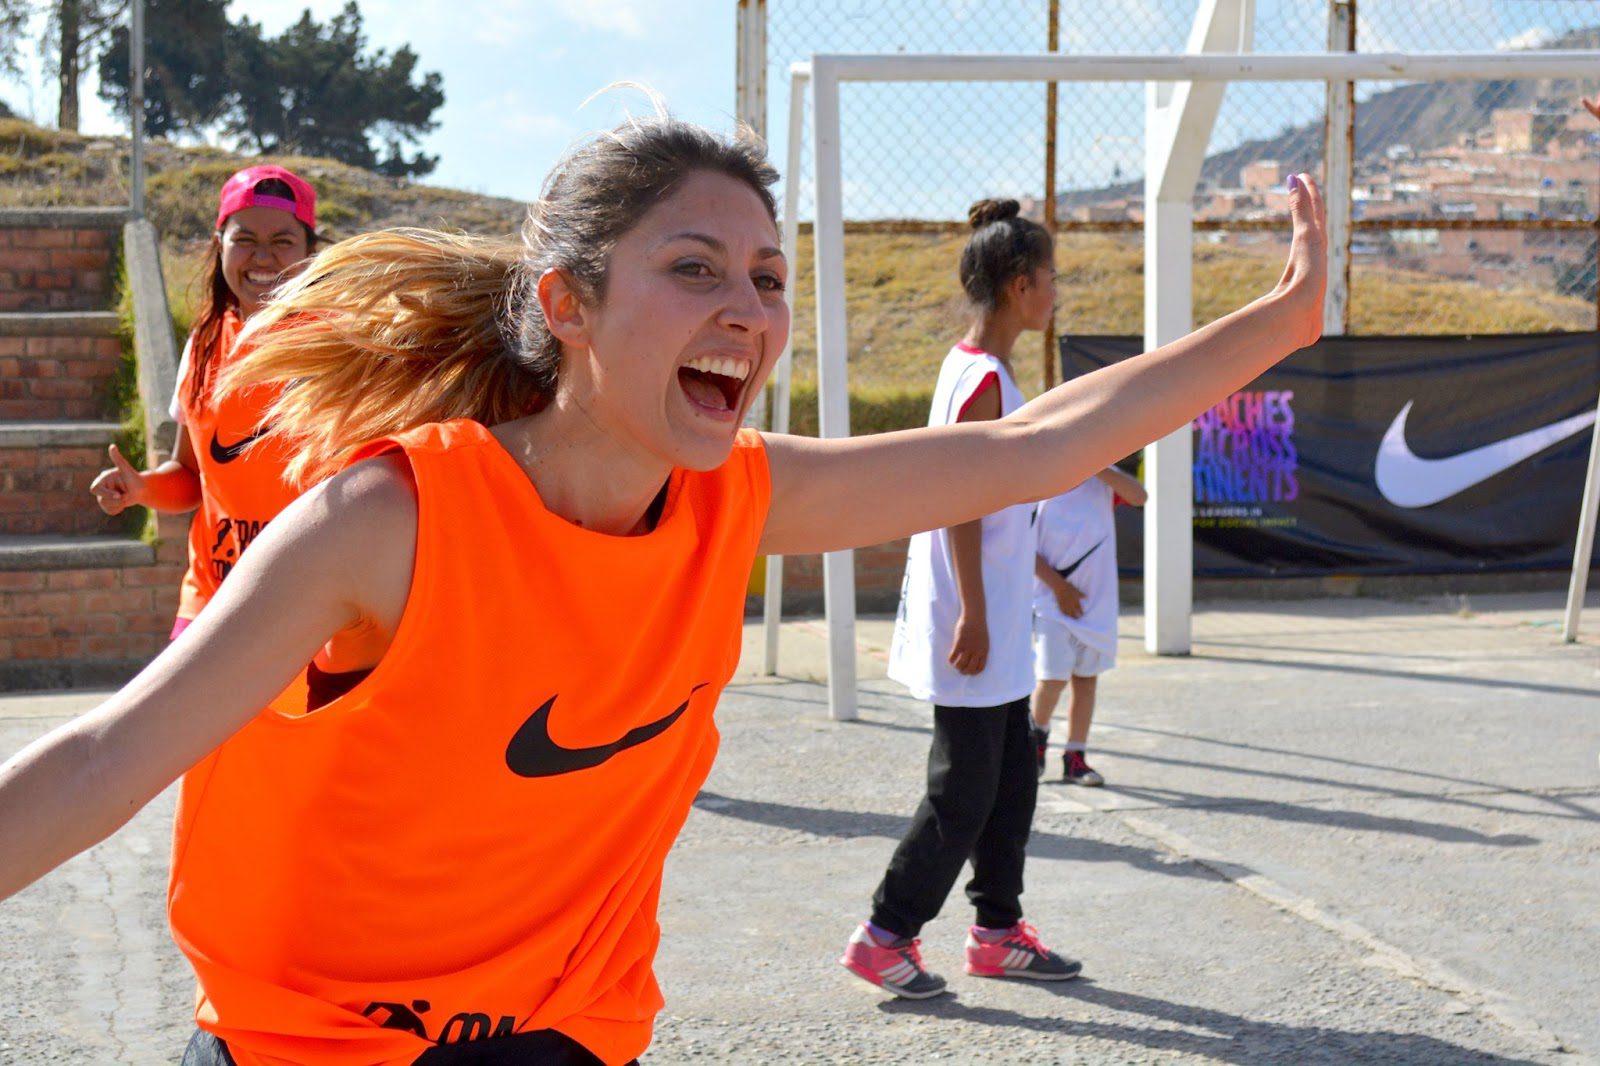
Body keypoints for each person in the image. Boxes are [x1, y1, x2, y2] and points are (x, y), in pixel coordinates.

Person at [0, 111, 1328, 1066]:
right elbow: (107, 756)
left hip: (564, 1036)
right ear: (568, 303)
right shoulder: (389, 522)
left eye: (766, 279)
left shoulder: (737, 495)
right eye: (693, 268)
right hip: (313, 1041)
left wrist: (1280, 317)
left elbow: (1033, 445)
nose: (747, 309)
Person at [841, 196, 1082, 1000]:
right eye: (1051, 278)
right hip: (973, 615)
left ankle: (998, 931)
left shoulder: (985, 368)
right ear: (1020, 285)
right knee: (965, 790)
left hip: (1001, 614)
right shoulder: (981, 380)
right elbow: (960, 503)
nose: (1057, 293)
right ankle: (886, 933)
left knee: (1013, 780)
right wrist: (976, 611)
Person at [89, 165, 320, 639]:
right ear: (220, 245)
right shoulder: (204, 341)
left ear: (310, 252)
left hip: (312, 597)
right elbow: (191, 478)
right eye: (245, 239)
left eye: (282, 241)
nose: (263, 257)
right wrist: (141, 489)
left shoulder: (339, 344)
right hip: (212, 597)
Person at [1030, 464, 1147, 786]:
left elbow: (1140, 497)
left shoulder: (1104, 482)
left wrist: (1097, 464)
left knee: (1086, 681)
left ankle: (1075, 759)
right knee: (1052, 679)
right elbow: (1022, 547)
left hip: (1096, 605)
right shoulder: (1039, 480)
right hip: (1050, 599)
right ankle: (1035, 745)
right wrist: (1060, 588)